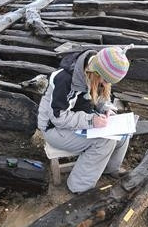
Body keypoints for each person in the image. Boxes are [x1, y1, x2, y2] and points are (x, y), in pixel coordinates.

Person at [38, 46, 130, 193]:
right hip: (54, 129)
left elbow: (100, 97)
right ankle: (79, 187)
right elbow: (58, 118)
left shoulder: (95, 70)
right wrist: (91, 120)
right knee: (104, 141)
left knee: (124, 134)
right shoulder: (65, 79)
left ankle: (108, 168)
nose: (106, 84)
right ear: (96, 71)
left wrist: (106, 108)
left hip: (78, 121)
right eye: (105, 80)